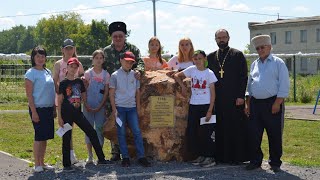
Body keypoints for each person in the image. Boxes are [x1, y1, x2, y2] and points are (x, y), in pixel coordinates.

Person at [57, 57, 111, 172]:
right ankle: (66, 165)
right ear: (67, 67)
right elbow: (60, 100)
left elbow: (83, 95)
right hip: (66, 114)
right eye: (71, 66)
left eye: (75, 67)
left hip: (77, 112)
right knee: (66, 138)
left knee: (91, 131)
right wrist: (59, 118)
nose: (73, 69)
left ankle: (101, 158)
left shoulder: (79, 82)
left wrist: (86, 105)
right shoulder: (63, 83)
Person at [246, 35, 290, 172]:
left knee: (274, 134)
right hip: (255, 104)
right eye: (258, 48)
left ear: (270, 47)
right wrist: (247, 103)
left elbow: (284, 84)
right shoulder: (254, 64)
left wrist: (277, 103)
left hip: (273, 103)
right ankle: (255, 161)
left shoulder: (279, 63)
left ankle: (275, 162)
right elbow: (249, 85)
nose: (260, 50)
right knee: (254, 134)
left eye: (263, 47)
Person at [103, 21, 144, 161]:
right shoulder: (106, 51)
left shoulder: (133, 49)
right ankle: (115, 151)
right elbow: (97, 65)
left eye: (121, 36)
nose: (118, 39)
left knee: (133, 127)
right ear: (111, 37)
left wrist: (138, 70)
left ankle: (133, 152)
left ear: (125, 36)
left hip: (130, 93)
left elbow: (140, 62)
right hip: (113, 93)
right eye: (115, 36)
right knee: (115, 123)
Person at [207, 29, 249, 164]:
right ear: (215, 40)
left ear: (228, 38)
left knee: (235, 128)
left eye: (224, 37)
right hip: (218, 100)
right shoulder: (211, 57)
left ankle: (237, 157)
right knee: (220, 128)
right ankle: (222, 156)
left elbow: (243, 77)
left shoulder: (237, 55)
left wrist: (241, 96)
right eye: (219, 38)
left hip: (234, 99)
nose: (221, 40)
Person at [174, 50, 217, 167]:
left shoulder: (210, 73)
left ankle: (210, 157)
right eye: (195, 59)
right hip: (194, 105)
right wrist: (182, 86)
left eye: (199, 58)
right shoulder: (191, 70)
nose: (197, 61)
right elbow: (177, 75)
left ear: (205, 59)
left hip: (206, 105)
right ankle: (200, 156)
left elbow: (213, 93)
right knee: (194, 132)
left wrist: (210, 110)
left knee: (206, 133)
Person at [109, 51, 151, 167]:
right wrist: (114, 109)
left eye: (131, 62)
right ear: (121, 60)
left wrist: (138, 108)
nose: (128, 64)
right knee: (121, 133)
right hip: (120, 108)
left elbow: (137, 92)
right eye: (126, 61)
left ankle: (141, 156)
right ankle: (125, 157)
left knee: (137, 132)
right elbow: (111, 93)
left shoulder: (135, 75)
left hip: (132, 108)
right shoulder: (115, 75)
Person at [53, 38, 84, 164]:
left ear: (74, 49)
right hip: (63, 100)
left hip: (75, 101)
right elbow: (55, 80)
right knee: (65, 127)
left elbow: (81, 79)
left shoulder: (79, 63)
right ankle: (69, 154)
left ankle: (71, 153)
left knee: (71, 127)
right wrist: (60, 94)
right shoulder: (58, 64)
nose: (69, 50)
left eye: (71, 48)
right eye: (67, 48)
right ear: (62, 50)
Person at [25, 46, 55, 173]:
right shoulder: (30, 73)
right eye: (38, 56)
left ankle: (42, 162)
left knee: (45, 137)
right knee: (39, 136)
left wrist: (54, 107)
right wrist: (34, 112)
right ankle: (37, 163)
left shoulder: (47, 71)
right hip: (37, 109)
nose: (40, 58)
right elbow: (29, 94)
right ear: (33, 58)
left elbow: (51, 91)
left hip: (48, 109)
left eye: (42, 56)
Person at [83, 49, 110, 164]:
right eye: (96, 58)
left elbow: (106, 92)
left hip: (100, 106)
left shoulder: (106, 75)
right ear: (92, 60)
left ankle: (100, 154)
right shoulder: (88, 73)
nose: (98, 60)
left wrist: (101, 105)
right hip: (88, 105)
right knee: (89, 130)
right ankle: (90, 155)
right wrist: (86, 104)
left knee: (99, 129)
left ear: (103, 60)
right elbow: (83, 90)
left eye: (100, 58)